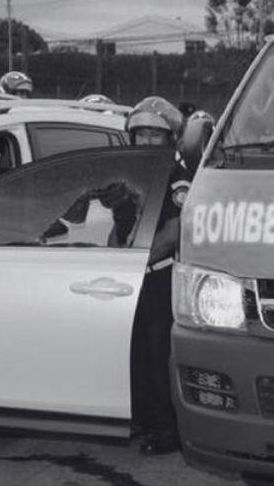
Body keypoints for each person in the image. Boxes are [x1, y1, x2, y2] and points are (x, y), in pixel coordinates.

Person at [125, 96, 190, 456]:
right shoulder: (131, 171)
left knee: (158, 353)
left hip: (160, 277)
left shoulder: (177, 176)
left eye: (155, 134)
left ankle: (167, 430)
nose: (146, 140)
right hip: (133, 278)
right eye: (141, 133)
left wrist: (139, 260)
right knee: (134, 350)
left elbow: (174, 229)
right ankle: (143, 418)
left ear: (170, 139)